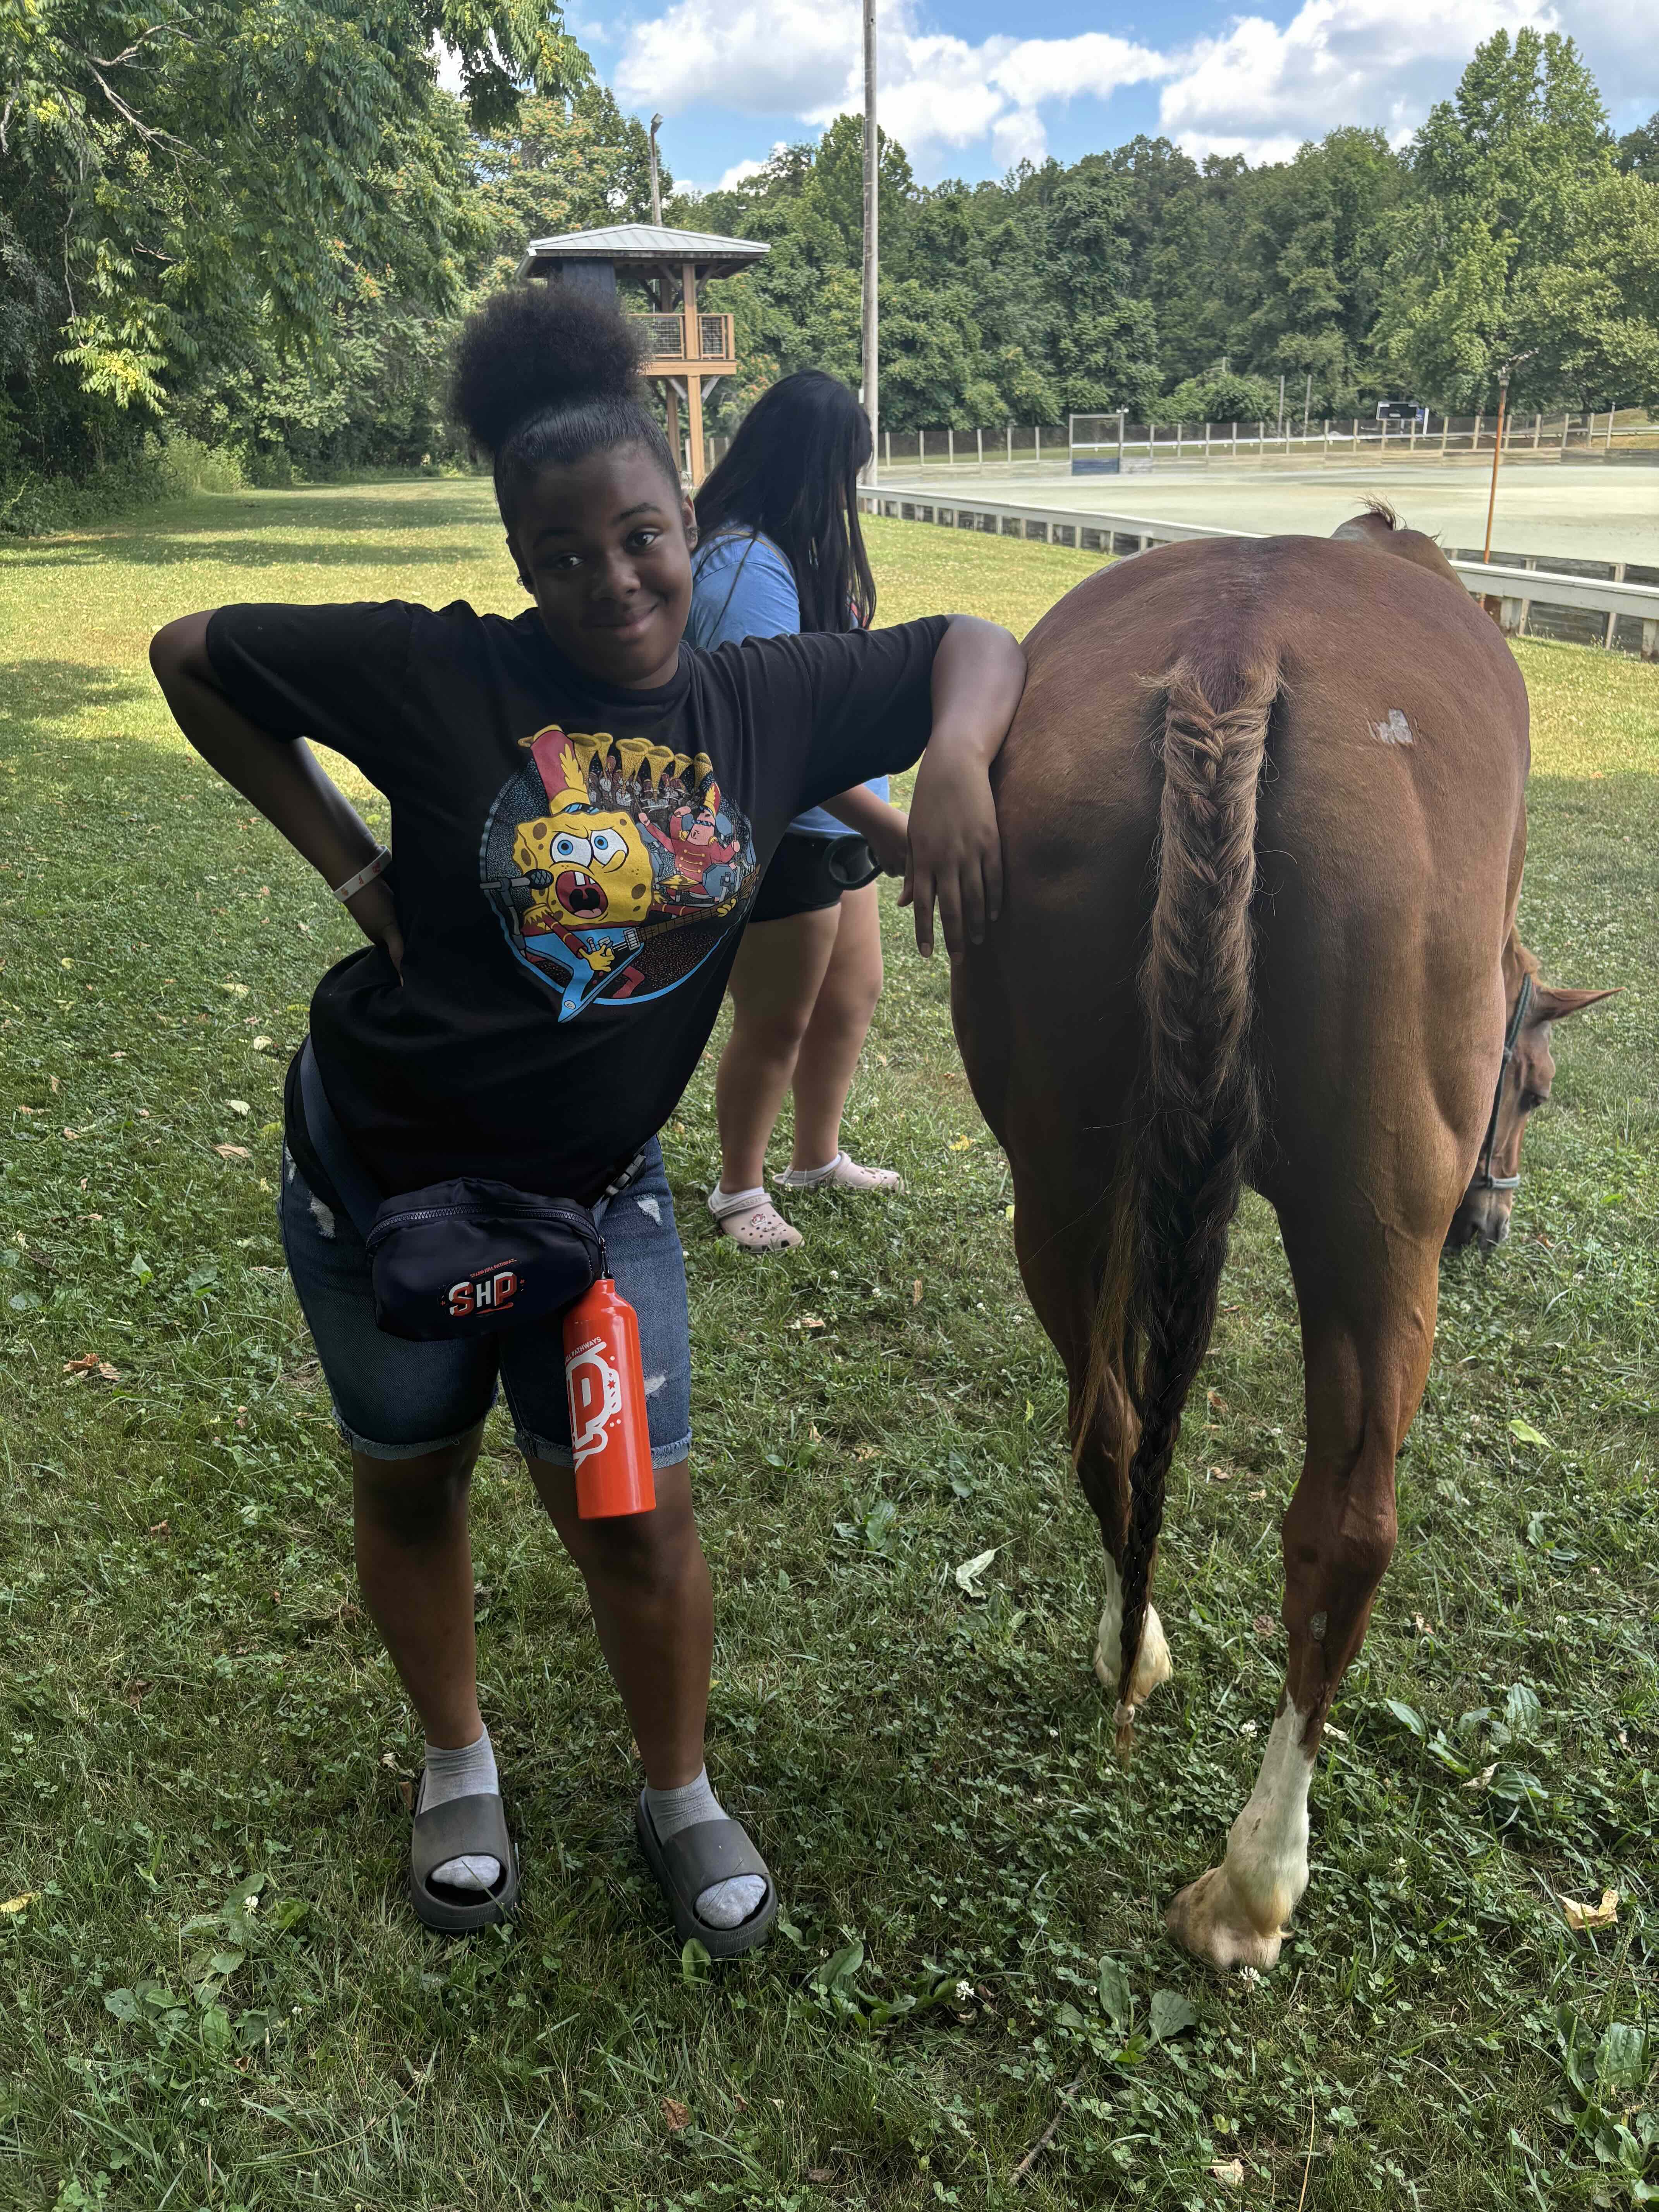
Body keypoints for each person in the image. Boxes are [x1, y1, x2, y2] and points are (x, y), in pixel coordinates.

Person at [147, 283, 1024, 1955]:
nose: (612, 582)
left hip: (598, 1212)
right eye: (564, 553)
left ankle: (675, 1791)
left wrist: (961, 763)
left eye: (642, 537)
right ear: (520, 555)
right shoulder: (437, 672)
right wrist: (352, 867)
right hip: (378, 1188)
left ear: (685, 522)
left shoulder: (762, 703)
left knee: (635, 1508)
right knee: (411, 1483)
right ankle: (456, 1762)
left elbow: (978, 650)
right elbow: (193, 658)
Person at [687, 373, 903, 1252]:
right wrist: (895, 828)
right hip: (779, 832)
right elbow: (773, 740)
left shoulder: (794, 550)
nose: (849, 497)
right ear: (815, 471)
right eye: (846, 475)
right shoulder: (744, 570)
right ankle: (739, 1189)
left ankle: (815, 1159)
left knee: (851, 997)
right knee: (777, 1019)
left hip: (837, 828)